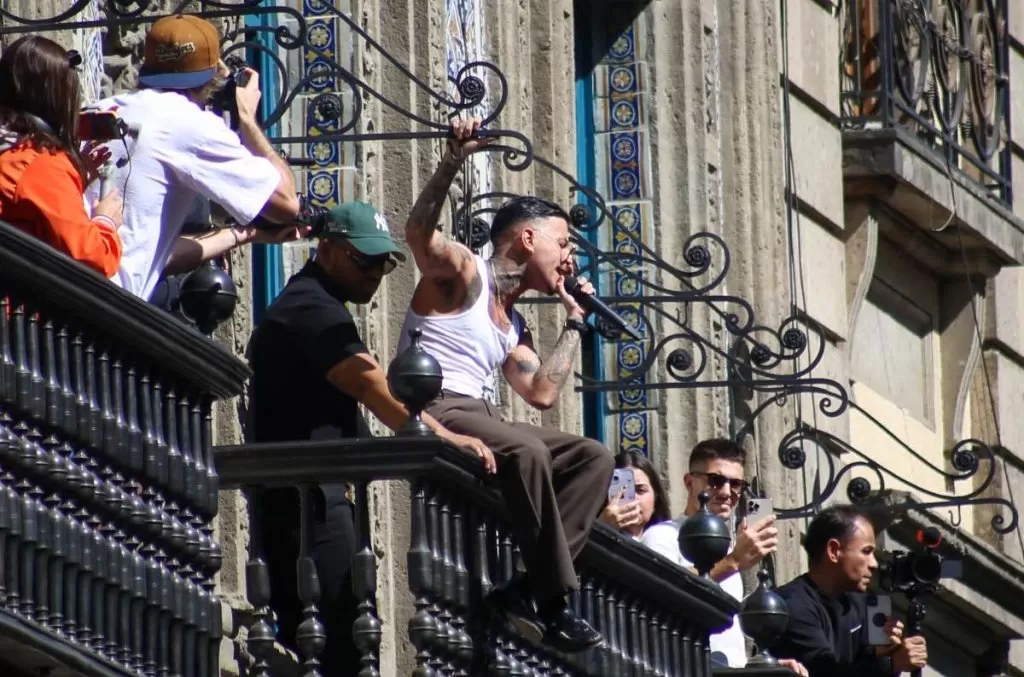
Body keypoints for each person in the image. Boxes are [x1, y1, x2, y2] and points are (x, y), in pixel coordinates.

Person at [246, 201, 493, 676]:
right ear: (329, 250)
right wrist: (442, 438)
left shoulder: (324, 305)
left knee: (352, 638)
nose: (376, 274)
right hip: (308, 512)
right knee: (340, 642)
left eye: (384, 263)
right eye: (365, 261)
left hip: (322, 502)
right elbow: (373, 386)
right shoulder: (309, 306)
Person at [398, 118, 614, 653]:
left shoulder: (513, 322)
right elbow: (419, 238)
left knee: (592, 458)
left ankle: (523, 587)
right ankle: (555, 600)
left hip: (486, 418)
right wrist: (452, 159)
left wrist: (573, 322)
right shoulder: (465, 274)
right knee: (525, 450)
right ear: (527, 236)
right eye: (563, 242)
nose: (570, 256)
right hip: (440, 405)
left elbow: (541, 393)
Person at [82, 13, 302, 301]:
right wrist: (246, 118)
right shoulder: (190, 123)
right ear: (212, 77)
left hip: (59, 290)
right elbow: (286, 205)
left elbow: (146, 251)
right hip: (105, 307)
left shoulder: (102, 109)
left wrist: (243, 234)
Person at [640, 439, 806, 675]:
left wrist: (761, 667)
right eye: (716, 481)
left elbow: (728, 637)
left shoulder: (728, 551)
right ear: (689, 482)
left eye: (736, 484)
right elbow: (665, 593)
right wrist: (734, 562)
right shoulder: (663, 536)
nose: (727, 492)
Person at [0, 35, 123, 277]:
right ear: (59, 98)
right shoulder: (40, 164)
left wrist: (73, 179)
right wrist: (106, 222)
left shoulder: (13, 152)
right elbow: (94, 259)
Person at [773, 505, 928, 677]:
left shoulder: (859, 603)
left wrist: (882, 652)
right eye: (866, 551)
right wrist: (891, 664)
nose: (874, 563)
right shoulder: (793, 606)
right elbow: (825, 671)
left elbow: (857, 665)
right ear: (833, 551)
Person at [599, 450, 671, 540]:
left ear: (656, 498)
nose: (633, 499)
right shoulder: (585, 540)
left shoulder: (668, 540)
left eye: (640, 490)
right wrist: (601, 528)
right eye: (622, 490)